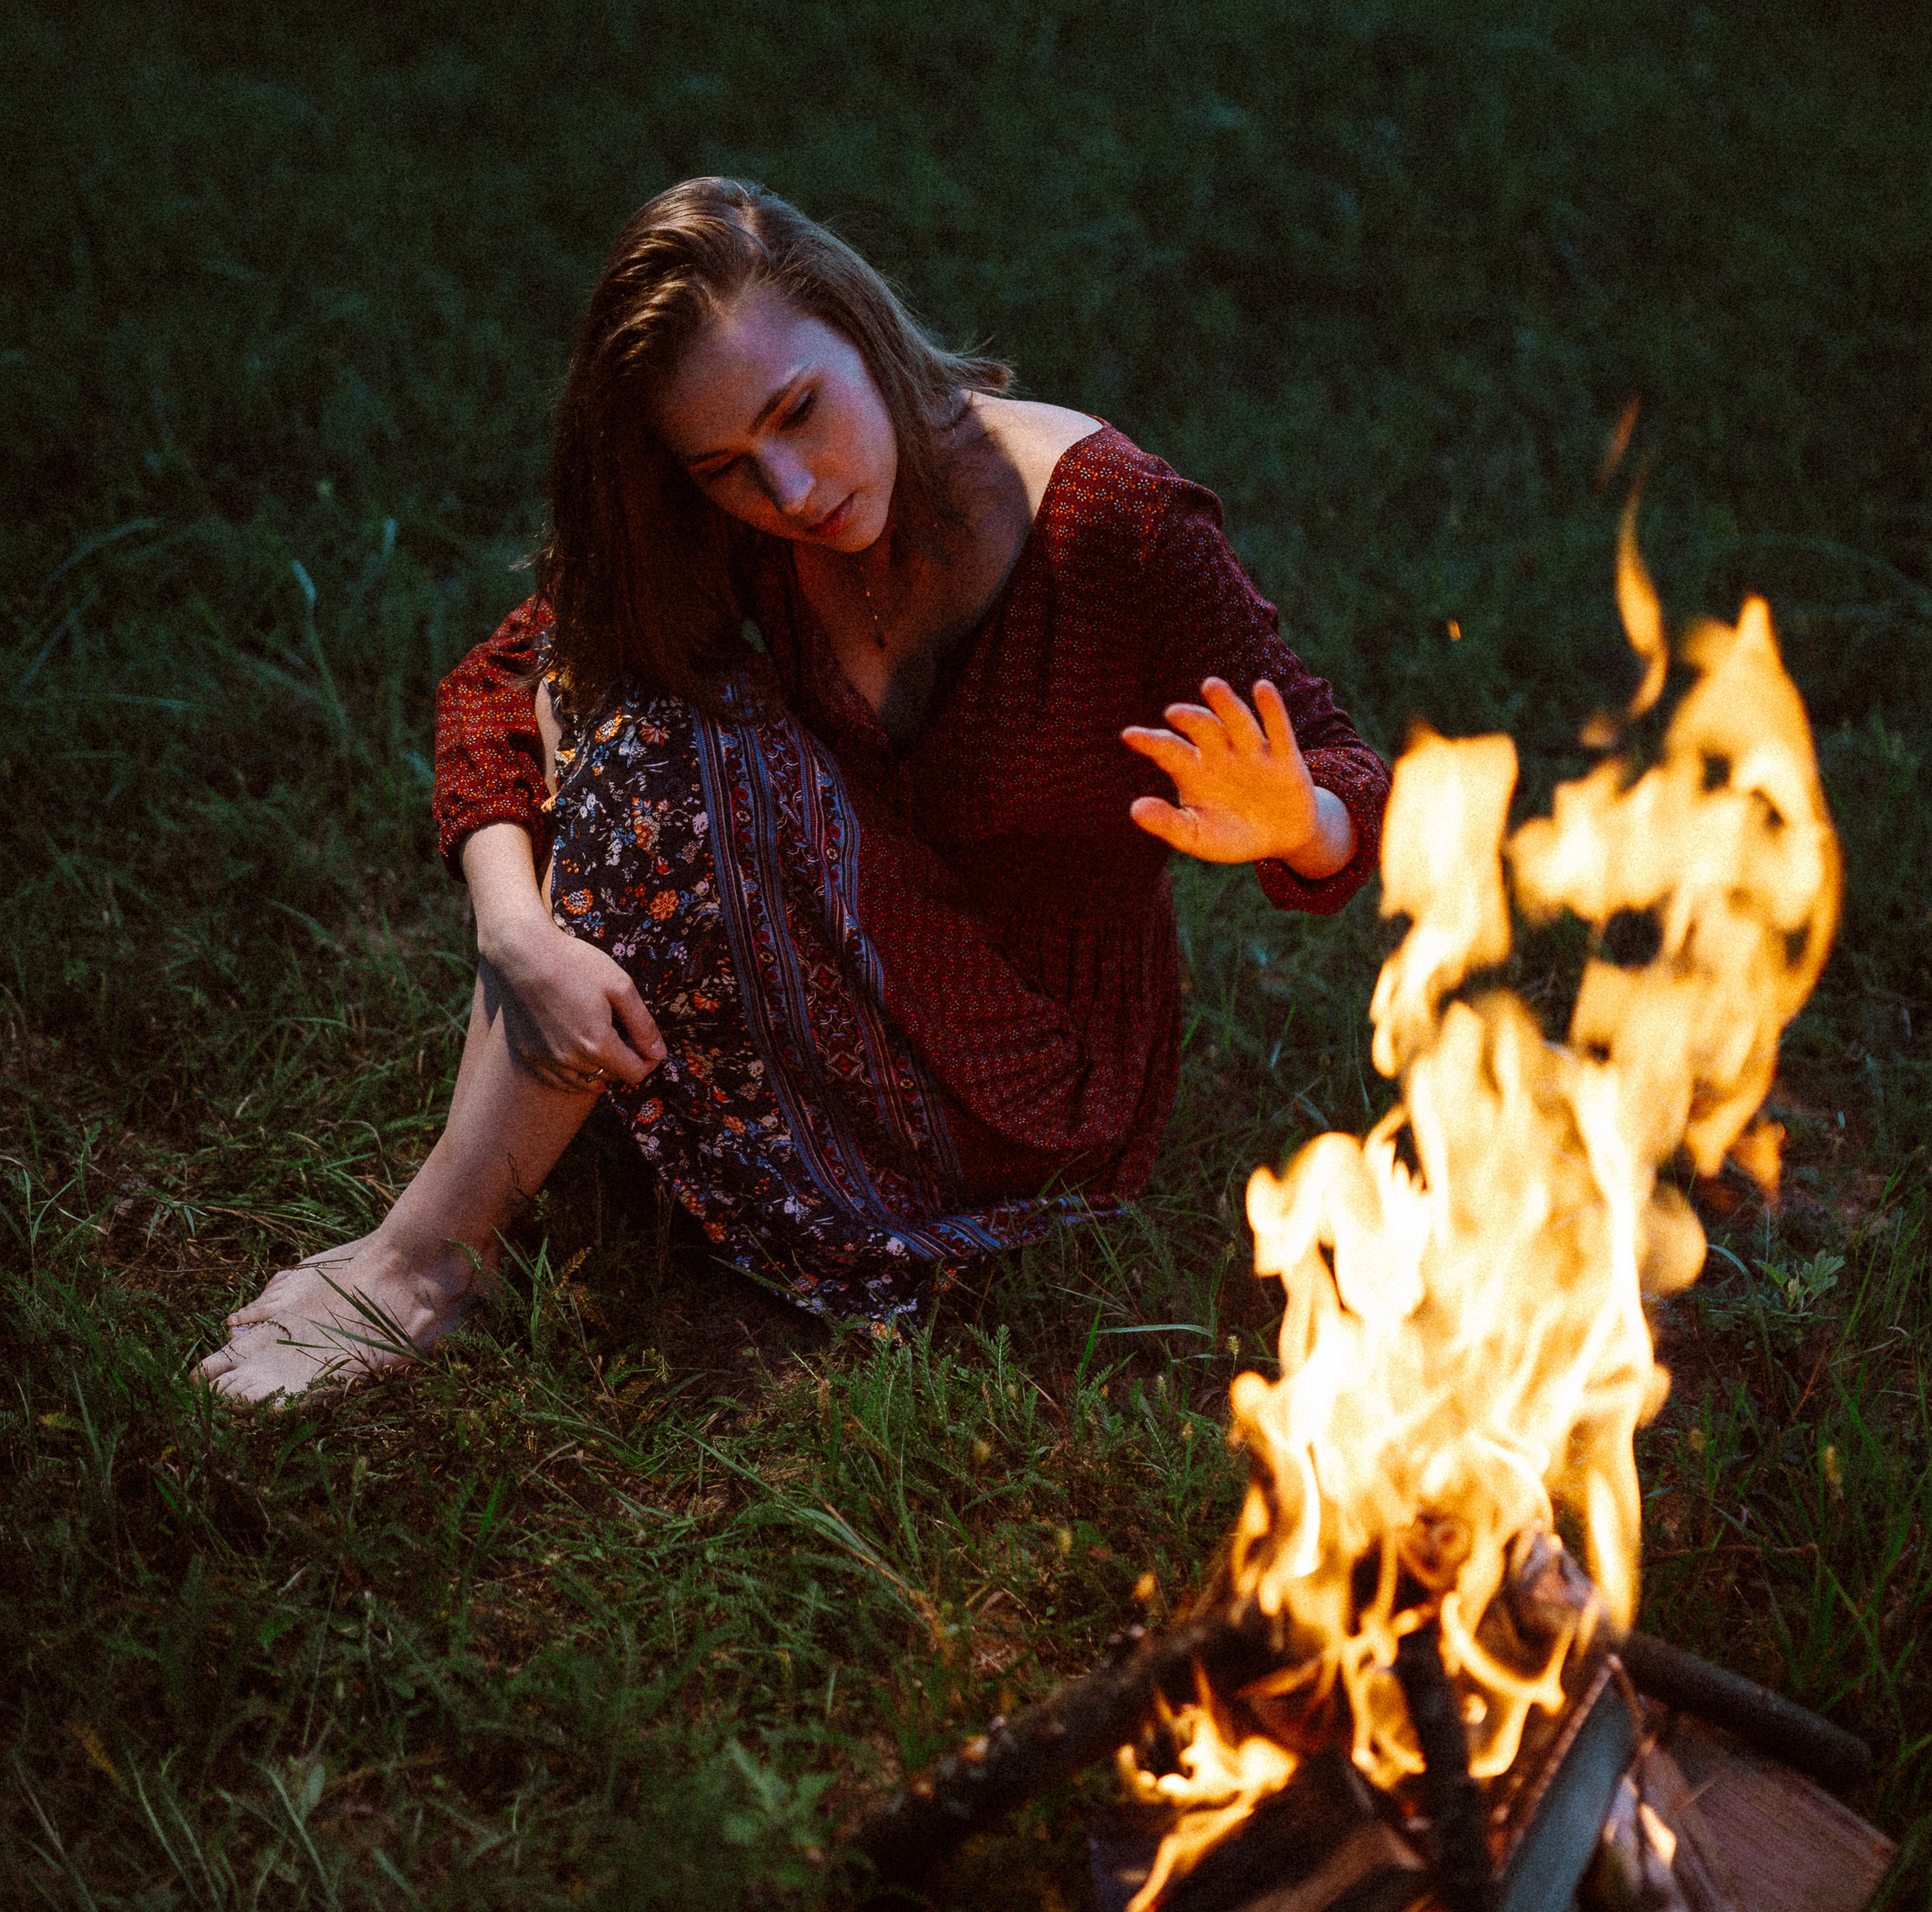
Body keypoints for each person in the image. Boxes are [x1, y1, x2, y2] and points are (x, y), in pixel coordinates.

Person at [201, 179, 1389, 1401]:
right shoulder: (750, 516)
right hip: (853, 952)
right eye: (726, 465)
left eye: (801, 411)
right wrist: (515, 931)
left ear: (861, 328)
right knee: (624, 699)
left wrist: (1297, 821)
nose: (791, 492)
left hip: (1033, 1080)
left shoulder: (1113, 521)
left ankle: (424, 1263)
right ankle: (441, 1238)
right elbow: (514, 676)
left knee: (664, 769)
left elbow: (1353, 774)